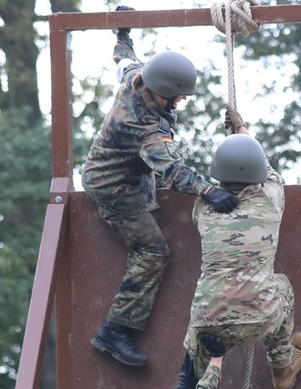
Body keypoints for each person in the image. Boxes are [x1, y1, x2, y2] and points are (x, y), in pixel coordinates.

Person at [82, 8, 239, 368]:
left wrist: (123, 33)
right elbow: (170, 170)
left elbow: (124, 59)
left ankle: (115, 329)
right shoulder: (147, 128)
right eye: (179, 97)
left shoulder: (137, 77)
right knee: (153, 252)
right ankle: (115, 330)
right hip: (113, 187)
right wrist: (209, 192)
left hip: (129, 175)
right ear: (162, 93)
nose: (181, 102)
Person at [171, 111, 301, 389]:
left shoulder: (203, 209)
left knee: (204, 309)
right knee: (282, 284)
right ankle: (281, 367)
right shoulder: (271, 199)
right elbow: (265, 165)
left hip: (209, 322)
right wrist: (241, 127)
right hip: (258, 318)